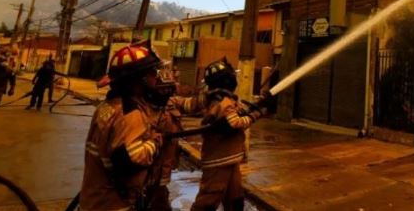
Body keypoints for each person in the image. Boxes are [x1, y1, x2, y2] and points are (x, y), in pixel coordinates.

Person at [79, 43, 164, 211]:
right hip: (114, 204)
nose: (156, 77)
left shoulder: (108, 106)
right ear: (140, 79)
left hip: (93, 200)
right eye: (152, 72)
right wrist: (154, 143)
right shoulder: (130, 113)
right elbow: (130, 159)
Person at [191, 58, 271, 211]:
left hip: (229, 159)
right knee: (209, 198)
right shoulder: (223, 102)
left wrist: (259, 103)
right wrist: (257, 114)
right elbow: (235, 123)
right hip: (219, 160)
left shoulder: (220, 99)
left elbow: (238, 112)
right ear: (228, 80)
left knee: (235, 198)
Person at [142, 66, 205, 211]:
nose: (166, 92)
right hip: (148, 171)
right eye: (162, 89)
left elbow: (191, 104)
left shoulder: (171, 103)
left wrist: (209, 95)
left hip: (163, 169)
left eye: (168, 89)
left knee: (158, 199)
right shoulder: (143, 110)